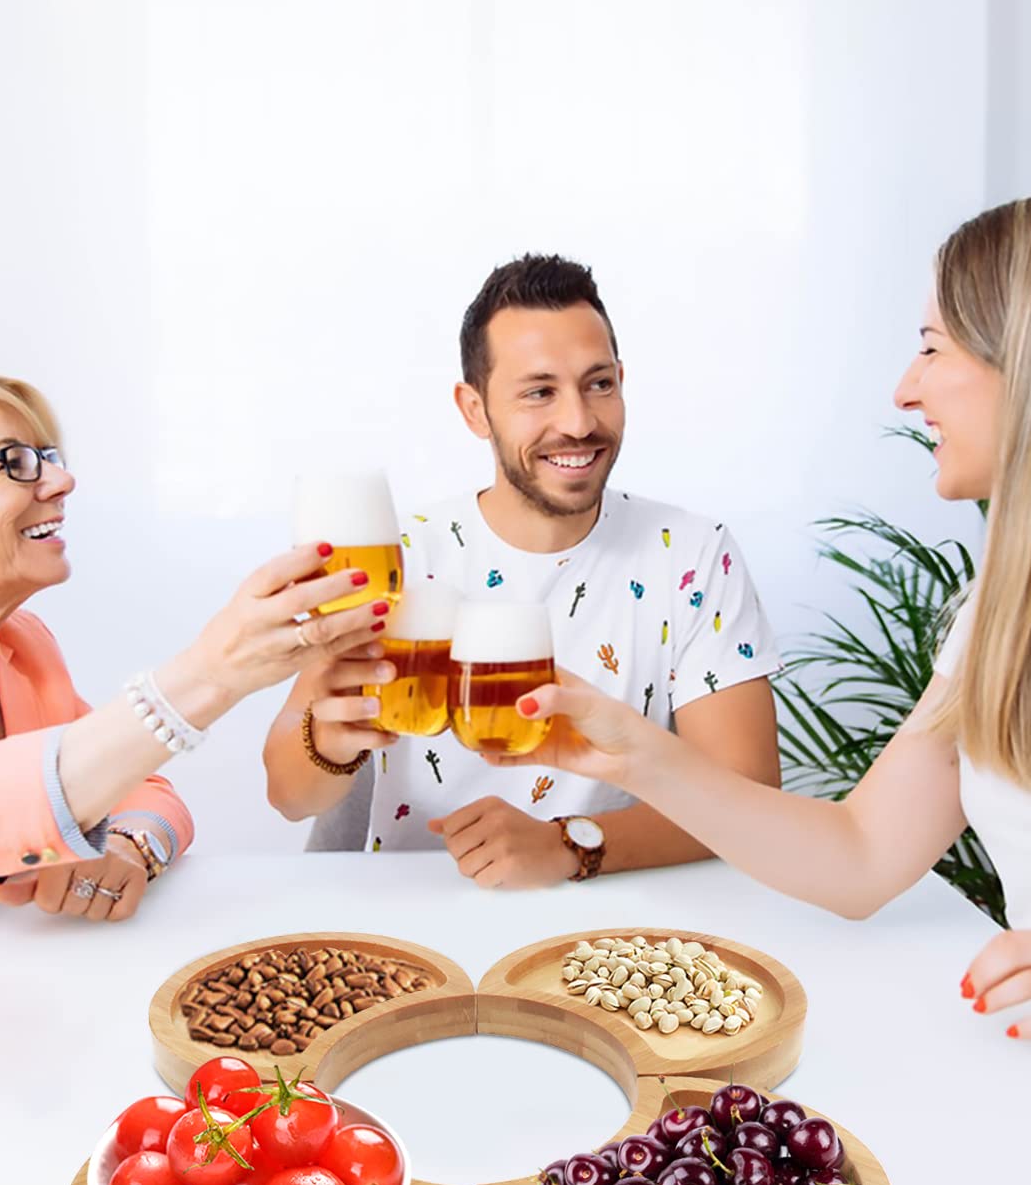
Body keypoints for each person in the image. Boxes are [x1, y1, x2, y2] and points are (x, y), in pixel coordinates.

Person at [489, 194, 1031, 1144]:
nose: (907, 389)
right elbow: (859, 860)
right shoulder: (1012, 604)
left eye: (935, 347)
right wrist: (638, 758)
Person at [0, 369, 381, 1055]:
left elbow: (145, 789)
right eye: (13, 462)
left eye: (49, 458)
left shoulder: (19, 647)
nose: (60, 483)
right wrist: (212, 671)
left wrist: (129, 847)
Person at [262, 254, 783, 887]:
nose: (579, 423)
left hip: (613, 919)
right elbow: (290, 797)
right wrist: (328, 743)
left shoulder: (694, 555)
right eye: (540, 392)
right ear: (474, 408)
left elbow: (750, 797)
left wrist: (570, 846)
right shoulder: (401, 557)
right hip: (405, 914)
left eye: (599, 384)